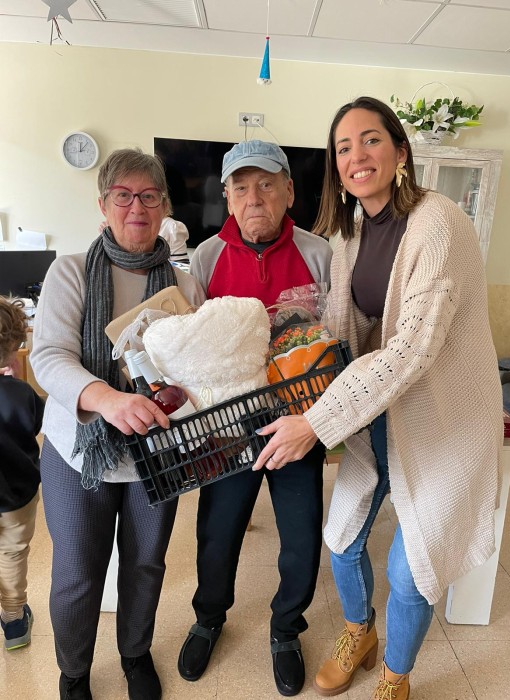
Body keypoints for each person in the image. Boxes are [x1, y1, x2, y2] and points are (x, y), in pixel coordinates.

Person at [252, 97, 503, 699]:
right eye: (343, 147)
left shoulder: (439, 223)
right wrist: (298, 370)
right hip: (383, 409)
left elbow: (412, 349)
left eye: (370, 140)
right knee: (341, 540)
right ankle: (359, 632)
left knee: (410, 568)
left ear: (400, 150)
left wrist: (316, 422)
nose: (356, 156)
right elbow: (347, 334)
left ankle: (395, 675)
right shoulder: (350, 233)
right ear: (335, 166)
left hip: (446, 417)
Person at [31, 148, 206, 700]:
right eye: (123, 196)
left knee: (146, 565)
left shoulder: (185, 286)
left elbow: (198, 369)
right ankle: (73, 672)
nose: (137, 207)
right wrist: (107, 399)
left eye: (149, 196)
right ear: (103, 204)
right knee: (77, 573)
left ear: (164, 207)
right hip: (79, 450)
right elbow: (49, 356)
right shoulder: (71, 271)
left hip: (158, 454)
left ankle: (134, 654)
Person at [181, 139, 332, 696]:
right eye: (241, 188)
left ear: (289, 190)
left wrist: (320, 421)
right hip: (227, 426)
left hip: (297, 424)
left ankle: (287, 628)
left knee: (301, 537)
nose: (254, 198)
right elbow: (192, 347)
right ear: (226, 197)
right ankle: (208, 618)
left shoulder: (320, 254)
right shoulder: (205, 259)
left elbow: (337, 340)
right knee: (217, 533)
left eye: (266, 184)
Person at [0, 297, 44, 652]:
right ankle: (14, 620)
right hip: (16, 495)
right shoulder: (21, 394)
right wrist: (14, 384)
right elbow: (38, 424)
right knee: (13, 553)